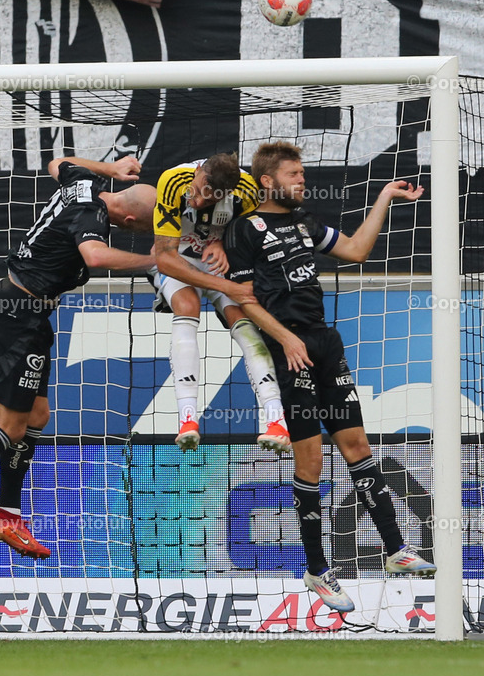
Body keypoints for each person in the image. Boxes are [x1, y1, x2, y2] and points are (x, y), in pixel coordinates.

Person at [224, 140, 437, 612]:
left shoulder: (305, 222)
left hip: (322, 343)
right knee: (311, 464)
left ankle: (396, 549)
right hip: (290, 349)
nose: (302, 181)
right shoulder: (243, 230)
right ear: (267, 181)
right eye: (294, 174)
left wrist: (383, 197)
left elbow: (357, 250)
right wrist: (286, 339)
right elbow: (241, 300)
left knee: (358, 447)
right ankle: (318, 570)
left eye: (302, 174)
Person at [0, 155, 158, 564]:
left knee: (36, 415)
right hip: (16, 316)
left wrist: (112, 169)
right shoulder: (92, 215)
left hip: (27, 315)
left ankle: (8, 514)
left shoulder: (88, 184)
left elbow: (59, 161)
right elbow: (95, 256)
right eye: (143, 229)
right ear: (127, 221)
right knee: (9, 424)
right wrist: (154, 261)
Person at [151, 153, 290, 453]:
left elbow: (250, 233)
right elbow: (163, 258)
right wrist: (225, 285)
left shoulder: (248, 191)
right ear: (198, 170)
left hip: (218, 262)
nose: (199, 200)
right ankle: (187, 420)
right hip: (180, 259)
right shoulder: (173, 179)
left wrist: (223, 240)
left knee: (246, 326)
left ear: (227, 193)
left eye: (211, 198)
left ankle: (277, 422)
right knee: (187, 306)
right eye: (200, 190)